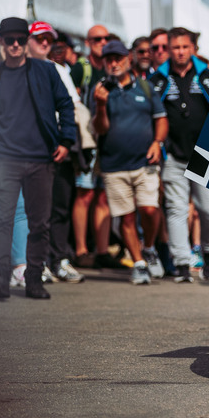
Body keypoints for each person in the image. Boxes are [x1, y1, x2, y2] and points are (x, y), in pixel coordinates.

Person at [0, 17, 76, 299]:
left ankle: (34, 279)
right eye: (9, 40)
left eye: (20, 39)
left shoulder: (46, 72)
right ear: (2, 42)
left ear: (27, 40)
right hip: (3, 159)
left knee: (40, 222)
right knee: (1, 218)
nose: (15, 45)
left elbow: (66, 104)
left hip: (40, 159)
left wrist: (67, 140)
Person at [92, 40, 168, 285]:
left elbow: (161, 118)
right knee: (126, 217)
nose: (113, 63)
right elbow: (100, 129)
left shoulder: (145, 87)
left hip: (144, 161)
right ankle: (138, 263)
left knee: (149, 209)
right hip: (114, 165)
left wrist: (157, 142)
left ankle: (148, 247)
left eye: (117, 58)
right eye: (108, 59)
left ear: (128, 58)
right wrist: (101, 105)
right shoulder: (101, 89)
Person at [150, 27, 209, 282]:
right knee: (176, 209)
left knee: (208, 208)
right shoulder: (157, 80)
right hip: (173, 155)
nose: (180, 52)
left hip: (204, 155)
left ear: (193, 48)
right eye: (175, 47)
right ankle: (181, 264)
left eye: (184, 47)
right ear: (169, 49)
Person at [28, 21, 85, 283]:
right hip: (26, 151)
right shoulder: (17, 69)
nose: (44, 43)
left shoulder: (59, 70)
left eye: (47, 39)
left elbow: (71, 106)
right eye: (38, 38)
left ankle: (59, 259)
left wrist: (65, 142)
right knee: (33, 211)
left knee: (60, 206)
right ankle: (34, 263)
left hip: (56, 149)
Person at [71, 25, 116, 269]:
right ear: (88, 42)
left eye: (106, 38)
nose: (103, 42)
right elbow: (72, 100)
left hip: (108, 138)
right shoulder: (82, 68)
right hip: (88, 139)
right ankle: (80, 250)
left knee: (103, 195)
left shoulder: (112, 66)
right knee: (84, 193)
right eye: (97, 39)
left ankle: (102, 250)